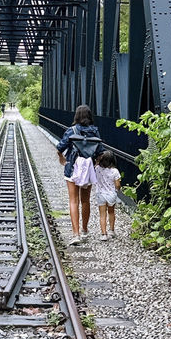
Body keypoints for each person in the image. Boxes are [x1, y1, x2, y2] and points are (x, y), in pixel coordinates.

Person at [56, 104, 104, 245]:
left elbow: (60, 147)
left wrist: (61, 158)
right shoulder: (95, 131)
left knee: (73, 201)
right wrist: (95, 163)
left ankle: (75, 234)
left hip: (72, 167)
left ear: (76, 116)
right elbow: (100, 151)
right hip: (88, 168)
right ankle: (84, 230)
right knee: (85, 200)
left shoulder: (71, 131)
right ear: (90, 116)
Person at [94, 150, 121, 241]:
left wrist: (97, 161)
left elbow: (95, 168)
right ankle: (111, 231)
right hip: (111, 194)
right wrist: (117, 190)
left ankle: (103, 234)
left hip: (100, 194)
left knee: (102, 214)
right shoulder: (115, 171)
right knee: (111, 212)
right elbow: (117, 185)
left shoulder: (97, 169)